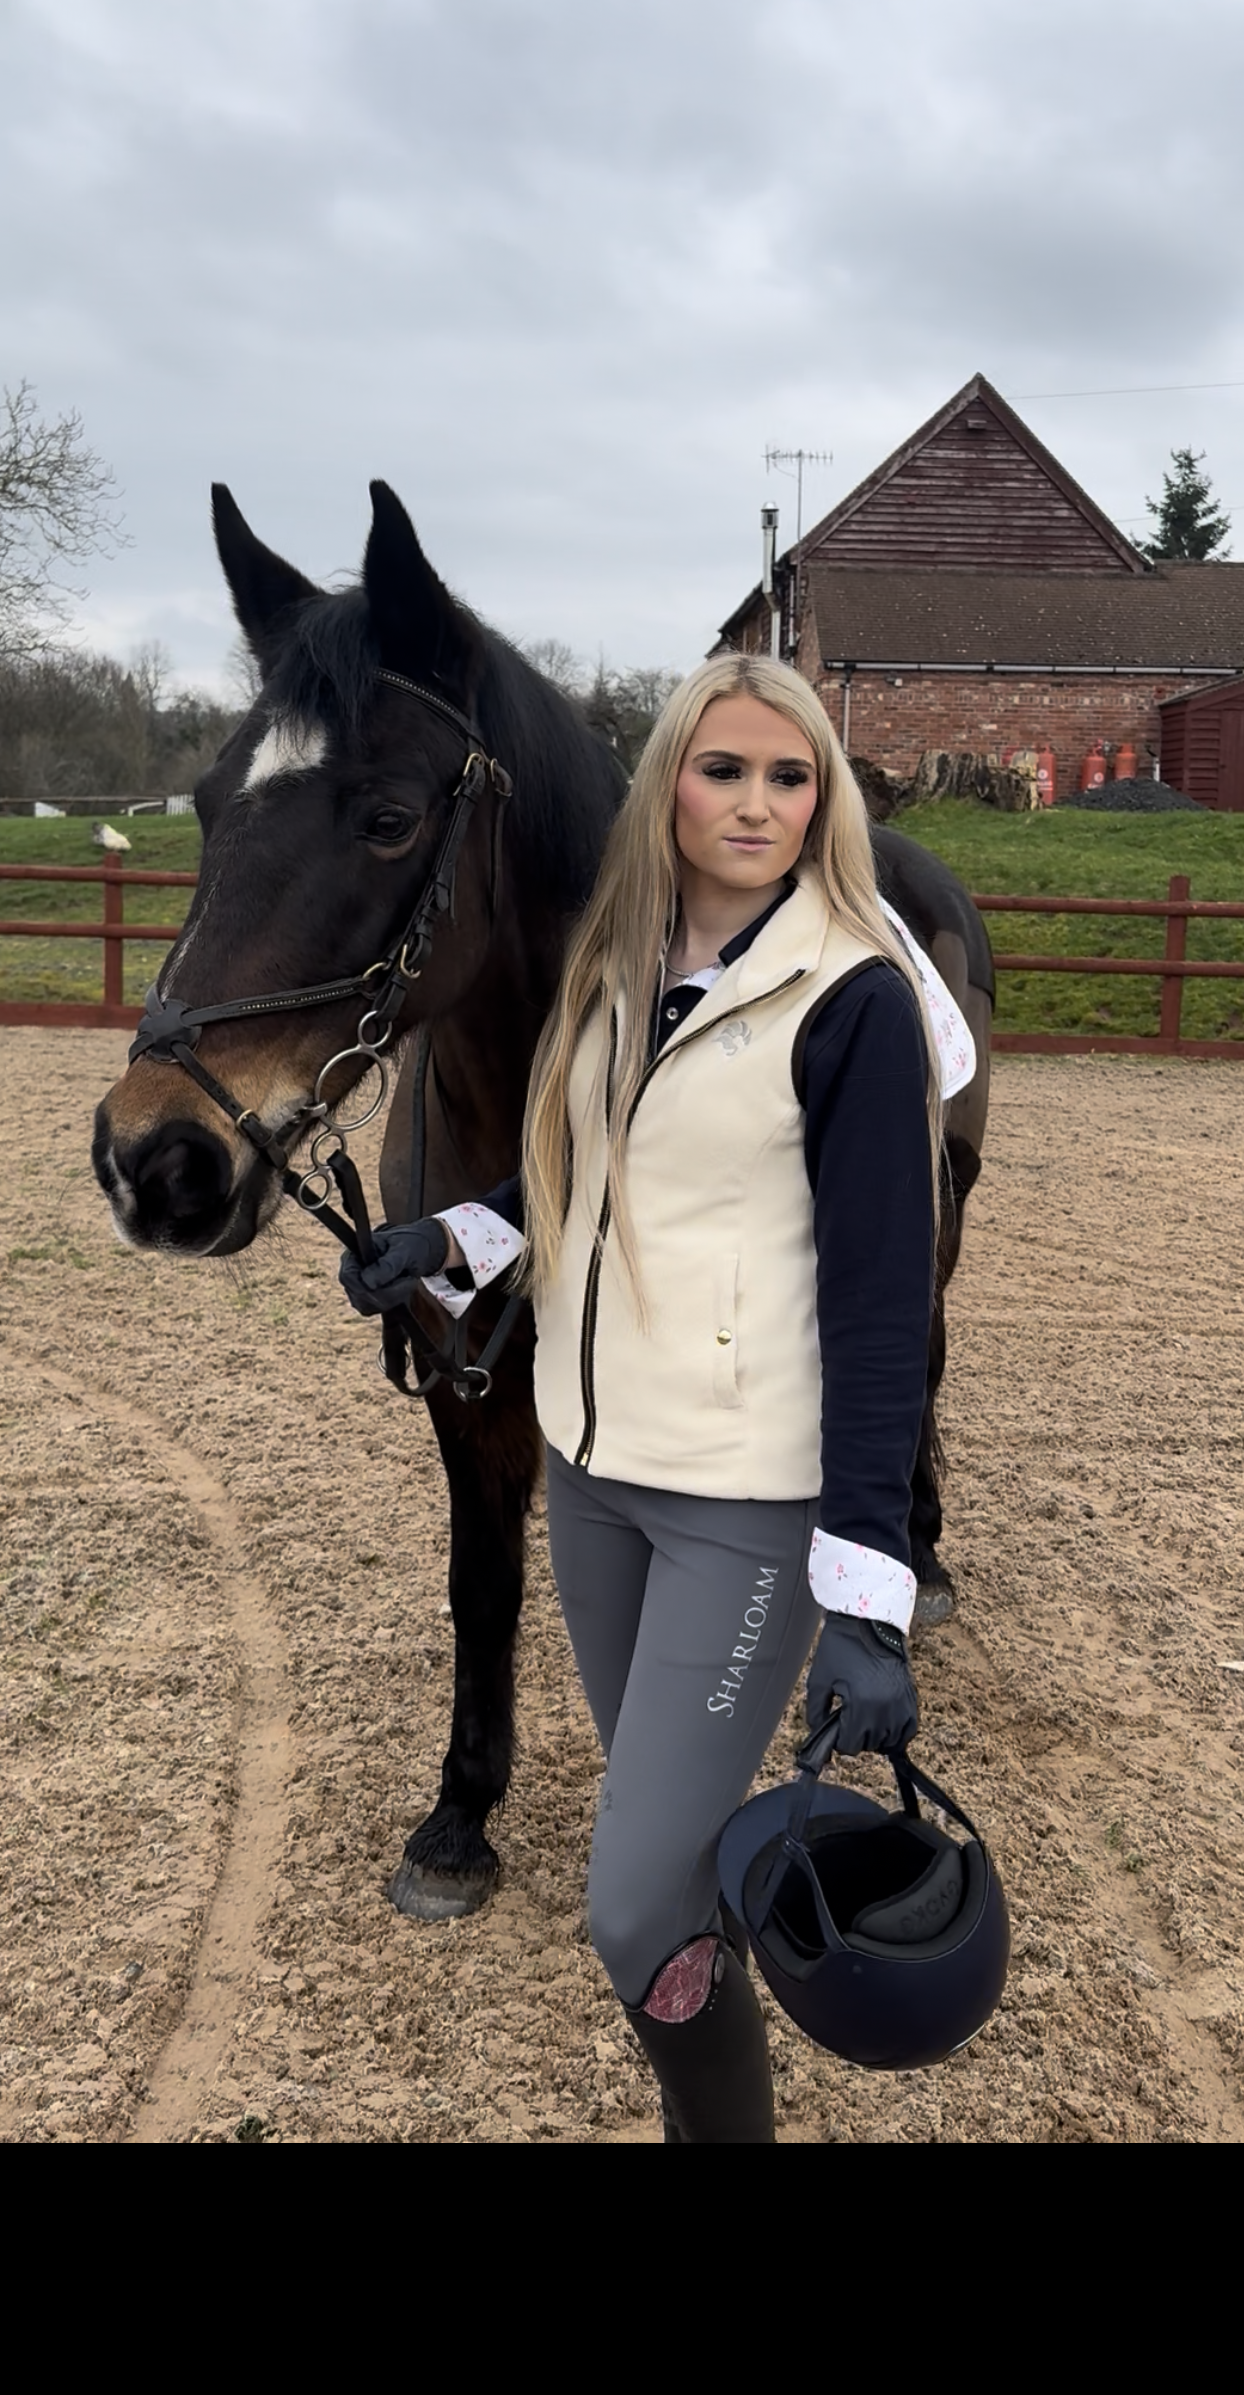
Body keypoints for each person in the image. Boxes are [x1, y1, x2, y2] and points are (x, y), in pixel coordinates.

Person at [340, 654, 975, 2142]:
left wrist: (867, 1599)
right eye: (723, 769)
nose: (755, 803)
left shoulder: (853, 999)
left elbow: (883, 1307)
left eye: (788, 776)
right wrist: (454, 1238)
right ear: (666, 786)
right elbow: (575, 1166)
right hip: (593, 1477)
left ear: (823, 800)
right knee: (670, 1862)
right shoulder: (622, 965)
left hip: (739, 1513)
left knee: (629, 1906)